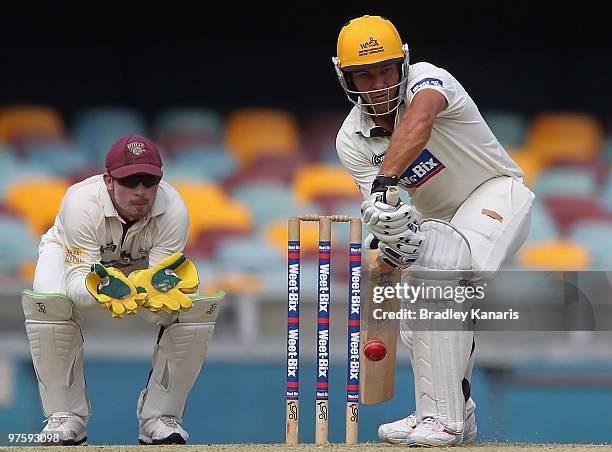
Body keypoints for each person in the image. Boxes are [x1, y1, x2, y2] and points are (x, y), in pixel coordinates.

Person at [332, 15, 534, 446]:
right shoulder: (351, 138)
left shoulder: (429, 80)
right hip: (441, 221)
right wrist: (390, 231)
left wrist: (386, 183)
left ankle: (445, 419)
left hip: (496, 194)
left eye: (386, 70)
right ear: (345, 77)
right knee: (419, 300)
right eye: (365, 75)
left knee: (439, 264)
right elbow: (382, 210)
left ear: (403, 63)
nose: (379, 84)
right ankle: (443, 411)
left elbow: (419, 122)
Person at [22, 134, 224, 445]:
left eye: (149, 180)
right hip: (73, 257)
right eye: (130, 181)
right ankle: (65, 418)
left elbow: (159, 292)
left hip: (140, 266)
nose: (141, 191)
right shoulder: (80, 203)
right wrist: (105, 290)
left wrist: (144, 291)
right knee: (50, 305)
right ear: (108, 180)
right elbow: (77, 285)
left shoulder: (174, 211)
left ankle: (160, 418)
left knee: (191, 313)